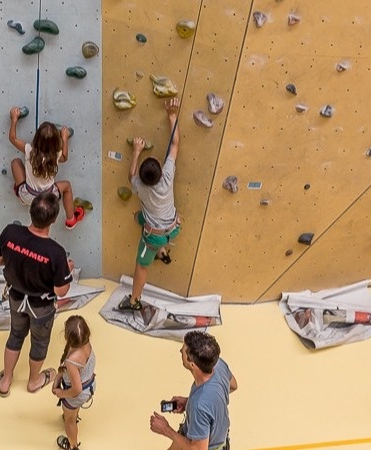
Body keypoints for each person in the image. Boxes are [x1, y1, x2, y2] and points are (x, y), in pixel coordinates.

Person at [0, 191, 74, 396]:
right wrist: (67, 271)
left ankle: (6, 380)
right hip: (41, 306)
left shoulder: (10, 232)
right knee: (40, 342)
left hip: (16, 298)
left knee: (16, 334)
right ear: (53, 220)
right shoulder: (55, 252)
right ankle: (34, 381)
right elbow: (61, 291)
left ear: (31, 211)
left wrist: (16, 260)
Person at [119, 97, 182, 311]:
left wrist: (136, 151)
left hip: (155, 235)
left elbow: (131, 175)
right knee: (140, 217)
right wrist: (172, 115)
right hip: (173, 227)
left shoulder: (139, 187)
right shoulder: (167, 177)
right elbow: (175, 144)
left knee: (141, 267)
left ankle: (134, 300)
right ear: (161, 171)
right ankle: (162, 251)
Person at [150, 331, 237, 450]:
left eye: (183, 351)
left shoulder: (199, 404)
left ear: (192, 364)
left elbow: (198, 449)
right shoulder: (218, 364)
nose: (180, 351)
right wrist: (188, 402)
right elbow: (232, 386)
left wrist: (166, 430)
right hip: (217, 440)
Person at [8, 107, 84, 229]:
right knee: (67, 186)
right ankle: (71, 219)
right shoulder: (55, 155)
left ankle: (20, 194)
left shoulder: (29, 150)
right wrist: (64, 138)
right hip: (48, 198)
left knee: (15, 162)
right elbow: (65, 157)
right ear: (56, 142)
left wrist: (14, 119)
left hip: (28, 196)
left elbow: (13, 138)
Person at [52, 315, 96, 450]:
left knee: (69, 421)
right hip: (89, 384)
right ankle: (74, 413)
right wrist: (60, 375)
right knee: (73, 411)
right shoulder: (86, 343)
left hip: (77, 393)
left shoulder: (71, 361)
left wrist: (62, 393)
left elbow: (76, 389)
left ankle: (73, 445)